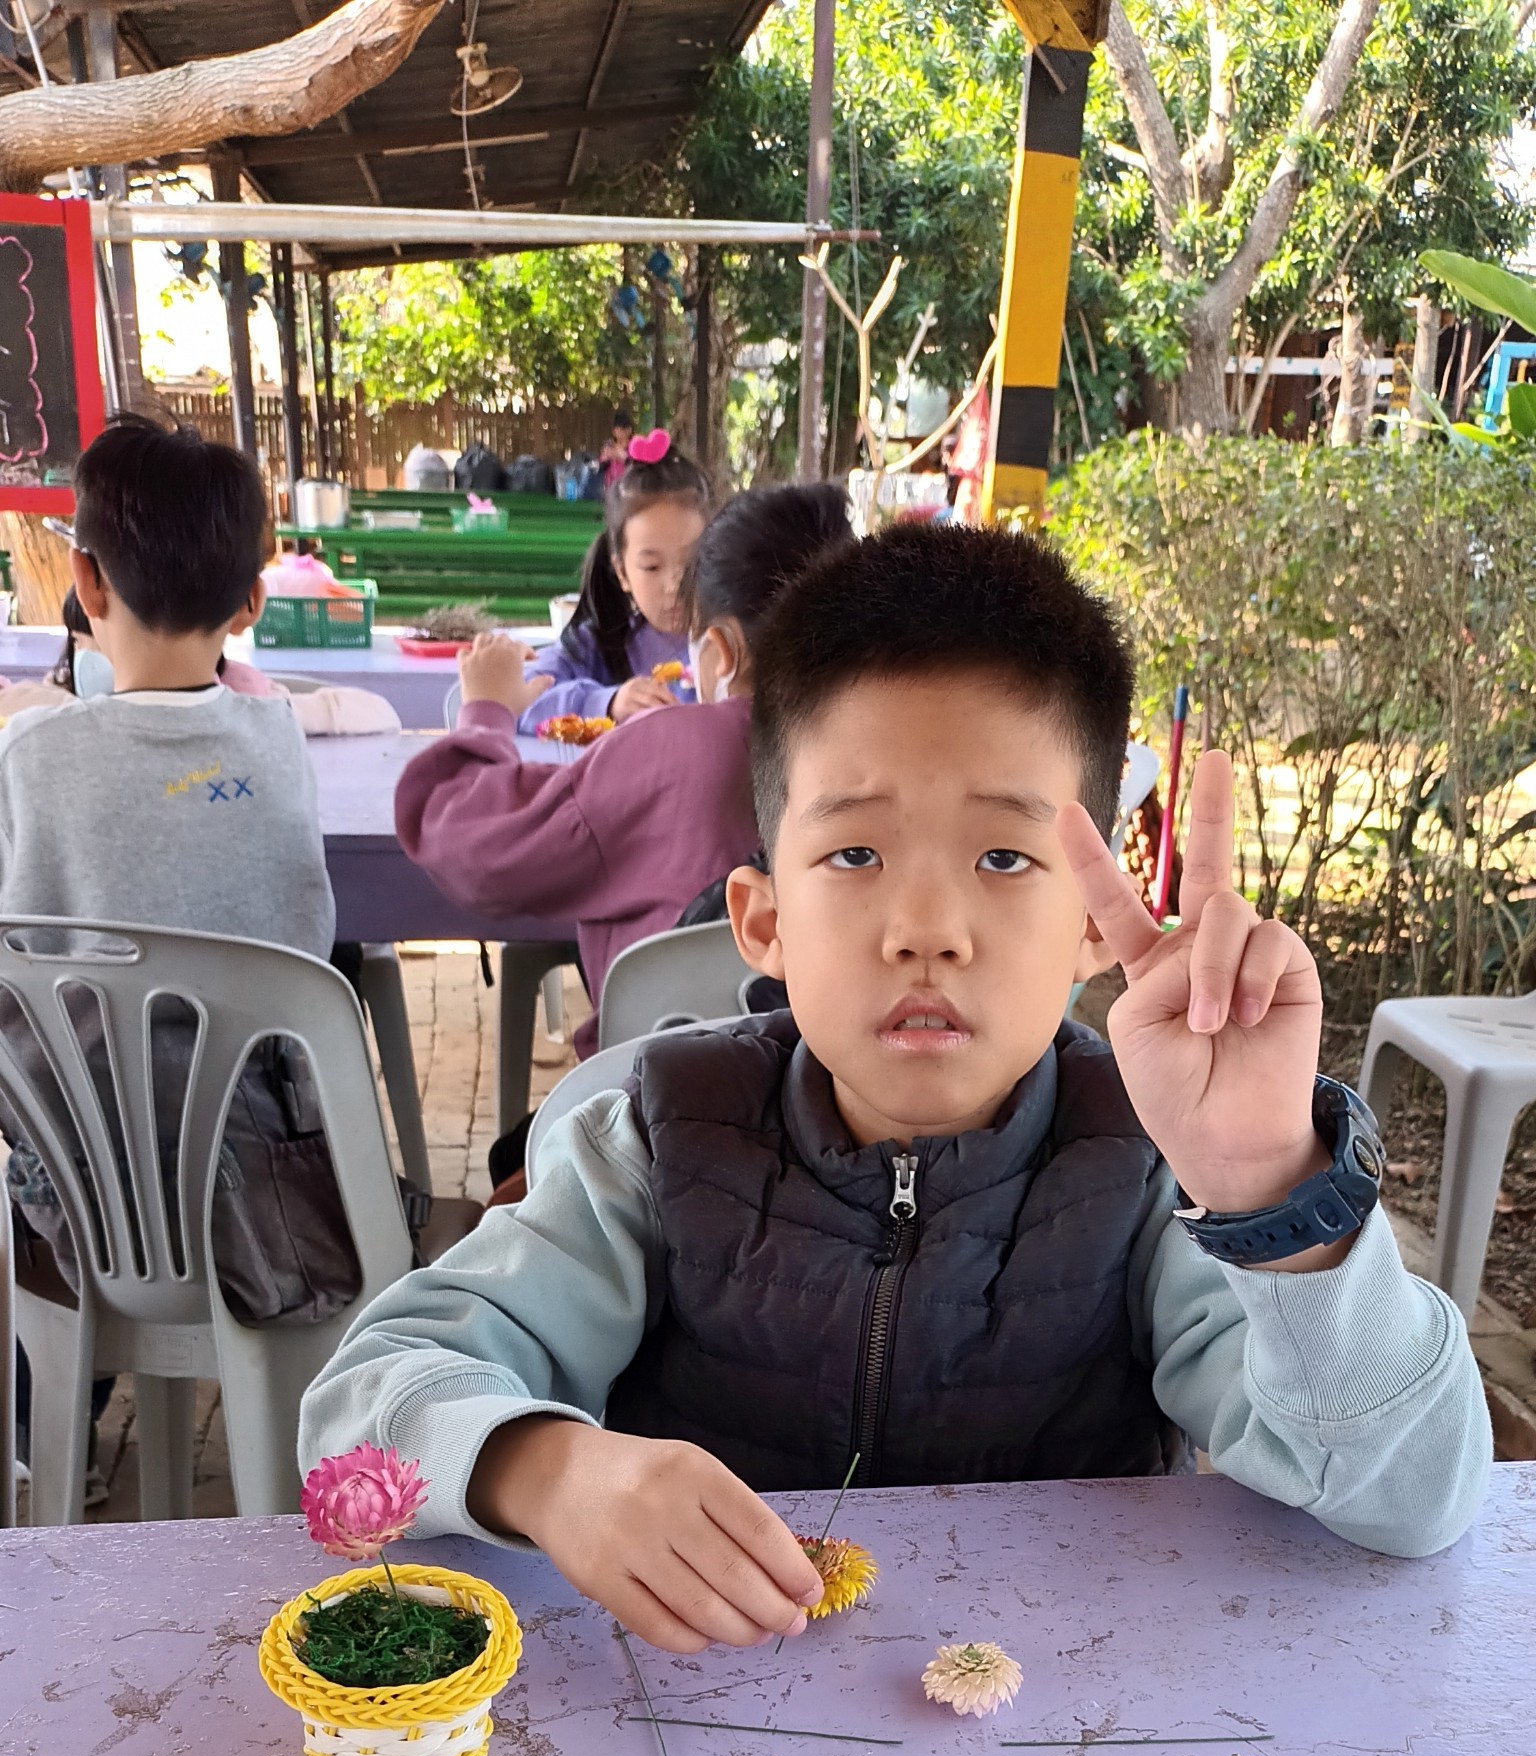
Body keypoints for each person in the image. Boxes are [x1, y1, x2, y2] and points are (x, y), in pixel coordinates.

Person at [303, 523, 1490, 1647]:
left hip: (1056, 1725)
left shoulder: (1147, 1172)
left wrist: (1272, 1194)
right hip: (703, 1712)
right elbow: (361, 1403)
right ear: (763, 919)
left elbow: (1415, 1497)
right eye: (856, 852)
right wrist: (546, 1468)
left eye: (1004, 856)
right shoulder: (648, 1145)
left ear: (1094, 921)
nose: (927, 928)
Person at [4, 415, 362, 1447]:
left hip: (82, 1212)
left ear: (86, 582)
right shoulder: (278, 741)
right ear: (253, 600)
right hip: (280, 1207)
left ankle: (46, 1442)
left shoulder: (31, 756)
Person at [394, 480, 855, 1058]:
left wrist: (485, 710)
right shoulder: (895, 754)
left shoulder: (673, 751)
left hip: (653, 1098)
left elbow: (469, 841)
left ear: (720, 652)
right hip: (840, 1094)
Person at [513, 432, 710, 738]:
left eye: (692, 564)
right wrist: (607, 702)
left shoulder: (735, 648)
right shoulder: (597, 645)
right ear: (622, 572)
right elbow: (519, 698)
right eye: (652, 567)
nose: (674, 585)